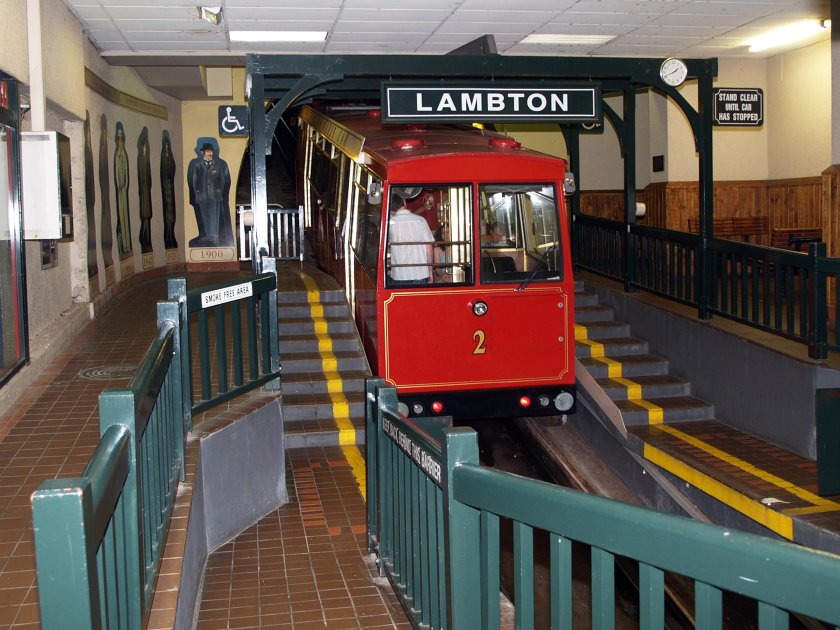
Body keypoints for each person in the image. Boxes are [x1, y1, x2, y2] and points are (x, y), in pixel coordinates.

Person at [188, 140, 234, 247]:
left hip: (214, 195)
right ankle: (208, 236)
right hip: (203, 196)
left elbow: (222, 180)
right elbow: (195, 181)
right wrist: (198, 193)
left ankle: (215, 237)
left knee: (214, 216)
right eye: (207, 151)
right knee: (205, 215)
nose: (210, 153)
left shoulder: (217, 165)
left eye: (211, 151)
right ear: (202, 152)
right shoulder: (197, 166)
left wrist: (219, 191)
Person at [388, 190, 434, 284]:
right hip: (420, 273)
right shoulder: (421, 220)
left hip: (399, 275)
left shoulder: (389, 223)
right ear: (404, 202)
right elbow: (429, 248)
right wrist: (430, 270)